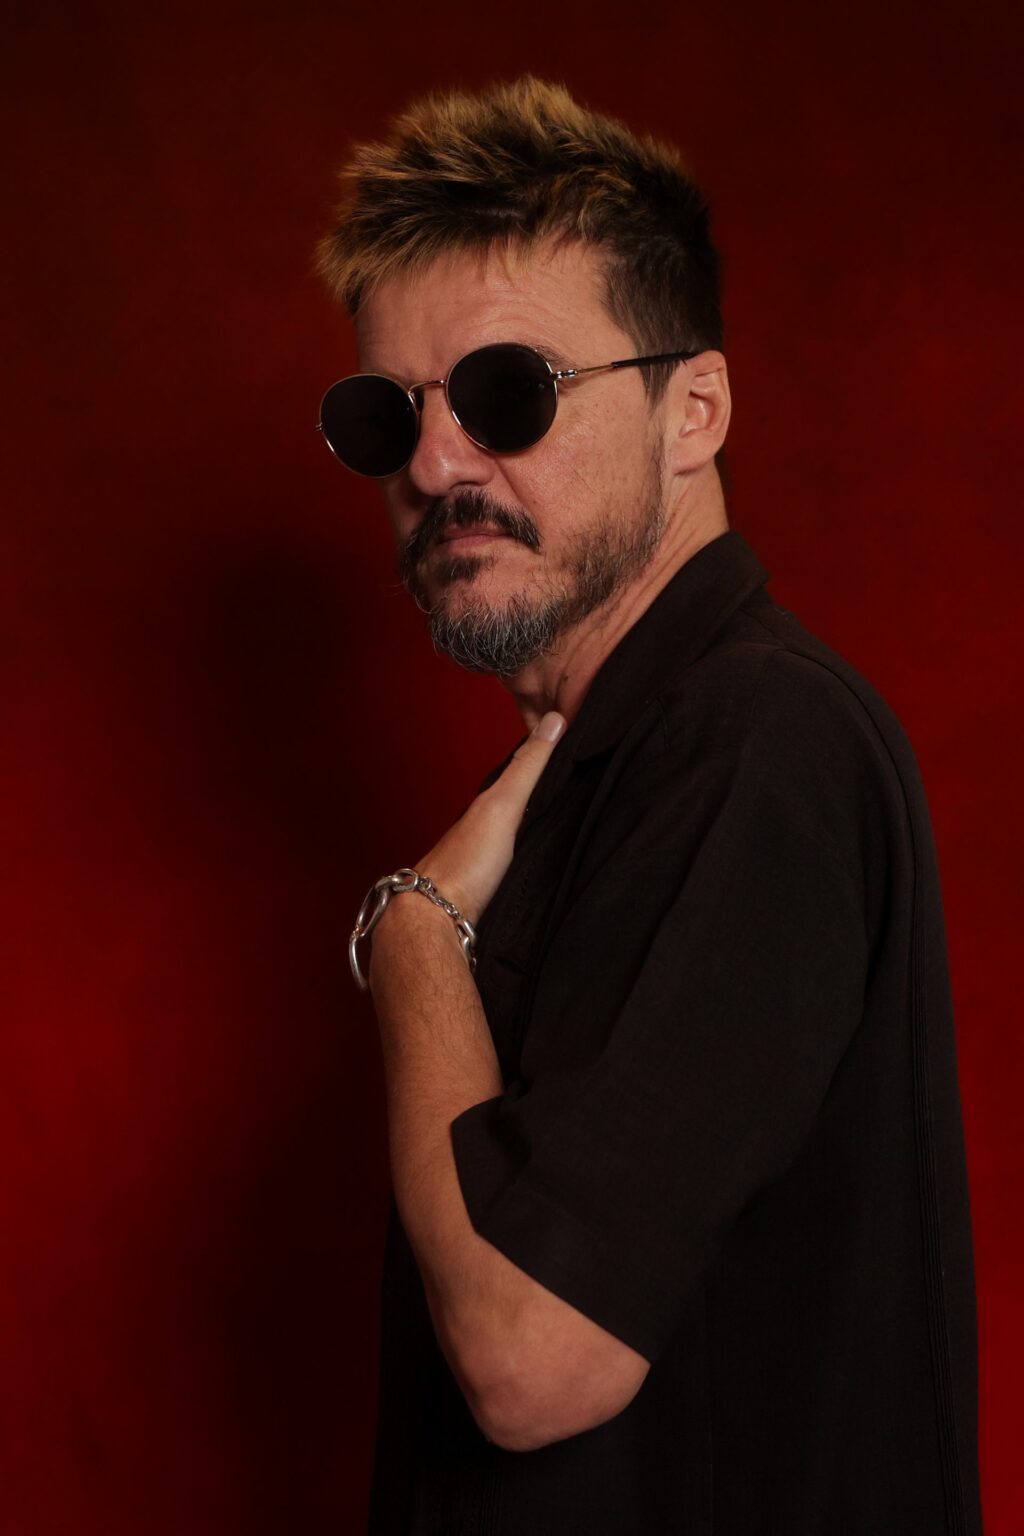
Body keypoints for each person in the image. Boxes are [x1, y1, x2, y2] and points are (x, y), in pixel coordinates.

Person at [317, 77, 982, 1534]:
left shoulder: (758, 746)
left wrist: (411, 937)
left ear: (696, 411)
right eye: (385, 416)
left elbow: (529, 1356)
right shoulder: (579, 777)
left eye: (507, 392)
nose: (434, 464)